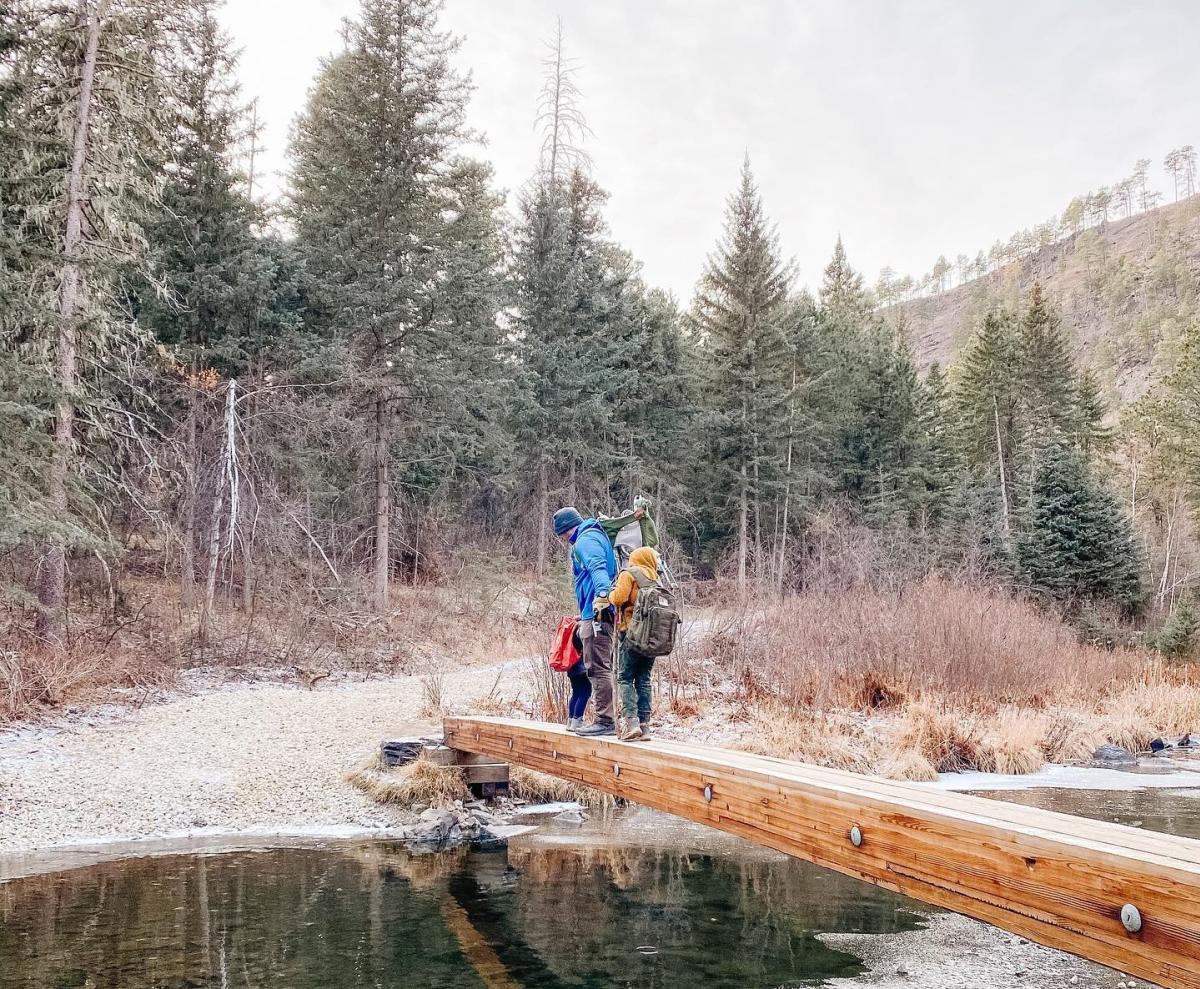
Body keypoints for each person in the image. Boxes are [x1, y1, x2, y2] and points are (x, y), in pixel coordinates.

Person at [552, 506, 617, 736]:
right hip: (593, 612)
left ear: (566, 531)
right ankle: (604, 719)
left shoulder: (585, 541)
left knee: (597, 668)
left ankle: (605, 721)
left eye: (562, 535)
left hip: (598, 613)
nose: (564, 540)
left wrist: (601, 601)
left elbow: (598, 570)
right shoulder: (593, 536)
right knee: (597, 667)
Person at [609, 546, 660, 742]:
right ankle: (645, 727)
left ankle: (632, 723)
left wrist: (610, 593)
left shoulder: (629, 574)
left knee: (625, 678)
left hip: (631, 634)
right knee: (644, 679)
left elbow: (619, 598)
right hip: (652, 638)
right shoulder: (656, 579)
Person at [564, 624, 591, 732]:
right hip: (582, 667)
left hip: (572, 666)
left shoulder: (572, 628)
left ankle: (571, 721)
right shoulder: (582, 627)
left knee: (576, 693)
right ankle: (577, 721)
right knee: (585, 693)